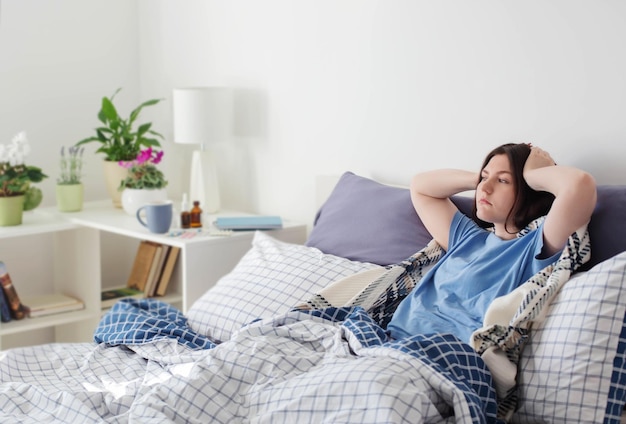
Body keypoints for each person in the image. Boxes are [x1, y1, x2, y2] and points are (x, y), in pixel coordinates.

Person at [386, 143, 597, 344]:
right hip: (389, 341)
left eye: (503, 181)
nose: (484, 189)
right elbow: (421, 186)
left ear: (531, 190)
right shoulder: (466, 238)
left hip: (442, 357)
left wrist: (530, 174)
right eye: (484, 178)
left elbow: (580, 185)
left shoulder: (534, 248)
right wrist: (480, 178)